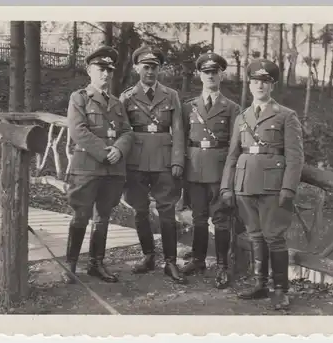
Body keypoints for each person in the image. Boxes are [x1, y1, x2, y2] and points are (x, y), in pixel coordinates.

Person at [220, 59, 304, 309]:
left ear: (272, 86)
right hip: (245, 184)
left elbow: (295, 156)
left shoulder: (286, 116)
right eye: (255, 81)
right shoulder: (242, 117)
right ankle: (260, 284)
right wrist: (227, 186)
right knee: (256, 236)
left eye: (264, 82)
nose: (259, 86)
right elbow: (233, 154)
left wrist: (288, 188)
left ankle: (280, 289)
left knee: (274, 237)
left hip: (273, 186)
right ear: (249, 84)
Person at [64, 46, 134, 284]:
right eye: (100, 69)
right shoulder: (79, 98)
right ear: (89, 71)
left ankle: (96, 263)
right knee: (81, 216)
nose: (105, 74)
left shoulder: (116, 103)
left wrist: (119, 149)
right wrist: (106, 152)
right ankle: (71, 264)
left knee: (103, 216)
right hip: (87, 168)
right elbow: (78, 131)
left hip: (112, 170)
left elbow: (126, 131)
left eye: (109, 70)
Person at [119, 46, 187, 284]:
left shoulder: (171, 95)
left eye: (154, 67)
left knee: (167, 211)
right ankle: (148, 256)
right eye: (146, 67)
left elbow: (178, 129)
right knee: (140, 211)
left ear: (159, 69)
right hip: (135, 161)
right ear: (137, 68)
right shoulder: (126, 97)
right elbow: (123, 131)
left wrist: (178, 159)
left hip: (164, 160)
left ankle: (170, 262)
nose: (150, 71)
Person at [180, 51, 240, 289]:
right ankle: (198, 260)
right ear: (199, 75)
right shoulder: (189, 107)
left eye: (214, 72)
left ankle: (223, 265)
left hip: (219, 169)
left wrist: (231, 174)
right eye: (206, 72)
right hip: (194, 168)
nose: (210, 76)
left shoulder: (232, 107)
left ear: (221, 75)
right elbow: (182, 139)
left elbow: (236, 145)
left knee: (221, 220)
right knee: (198, 219)